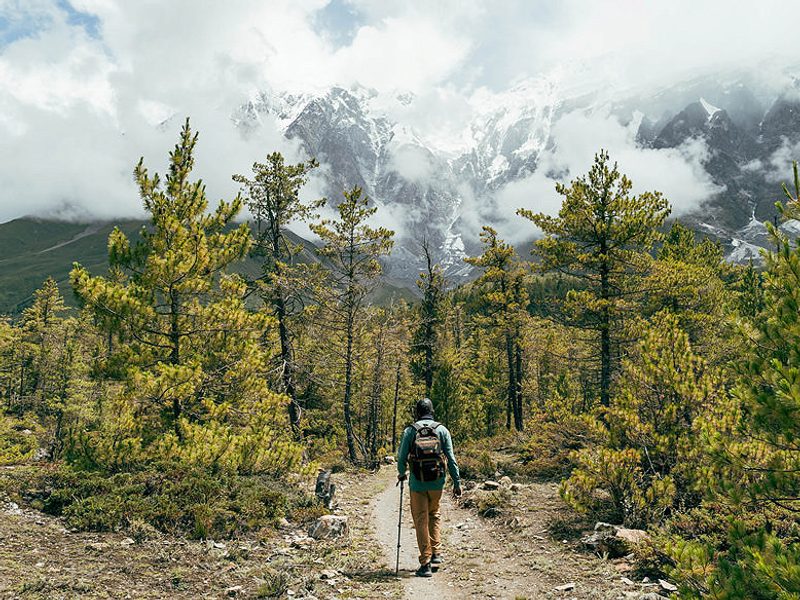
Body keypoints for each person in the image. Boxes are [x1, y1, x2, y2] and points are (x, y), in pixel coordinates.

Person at [397, 398, 462, 578]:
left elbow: (401, 458)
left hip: (417, 483)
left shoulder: (410, 431)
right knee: (434, 514)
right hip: (437, 482)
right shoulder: (442, 430)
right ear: (431, 411)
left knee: (420, 519)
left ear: (417, 412)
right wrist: (457, 482)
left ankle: (425, 563)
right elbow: (451, 458)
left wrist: (402, 474)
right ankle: (436, 555)